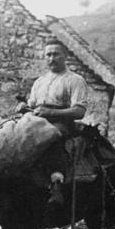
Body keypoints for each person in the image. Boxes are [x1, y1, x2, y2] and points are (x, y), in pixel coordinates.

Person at [14, 37, 88, 208]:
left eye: (56, 54)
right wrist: (24, 107)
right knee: (12, 133)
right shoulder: (40, 81)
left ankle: (57, 183)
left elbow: (79, 111)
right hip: (37, 120)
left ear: (65, 56)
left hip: (62, 122)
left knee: (48, 135)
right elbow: (32, 106)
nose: (51, 58)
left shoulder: (75, 80)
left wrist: (52, 113)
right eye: (48, 55)